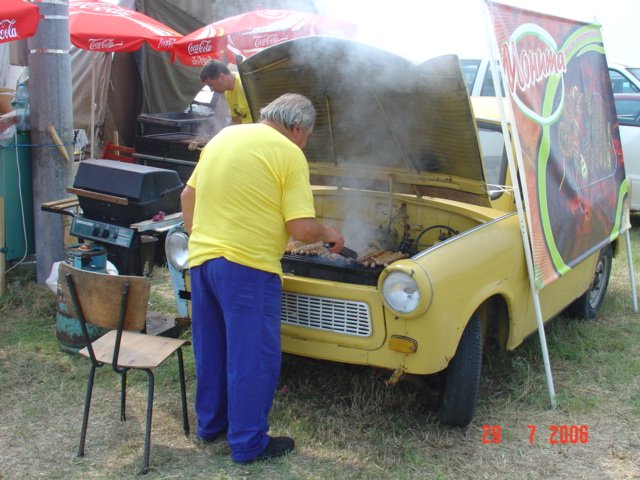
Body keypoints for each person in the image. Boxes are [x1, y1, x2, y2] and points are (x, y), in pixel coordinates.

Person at [180, 93, 344, 464]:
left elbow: (187, 197)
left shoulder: (224, 136)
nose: (305, 143)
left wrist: (200, 238)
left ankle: (211, 425)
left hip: (203, 262)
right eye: (307, 136)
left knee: (212, 347)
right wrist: (329, 232)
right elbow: (300, 228)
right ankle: (248, 443)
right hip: (248, 268)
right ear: (297, 128)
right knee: (251, 356)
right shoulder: (288, 153)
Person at [199, 59, 252, 125]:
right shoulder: (227, 92)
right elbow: (236, 120)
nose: (211, 90)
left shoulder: (245, 85)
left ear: (221, 77)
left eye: (211, 85)